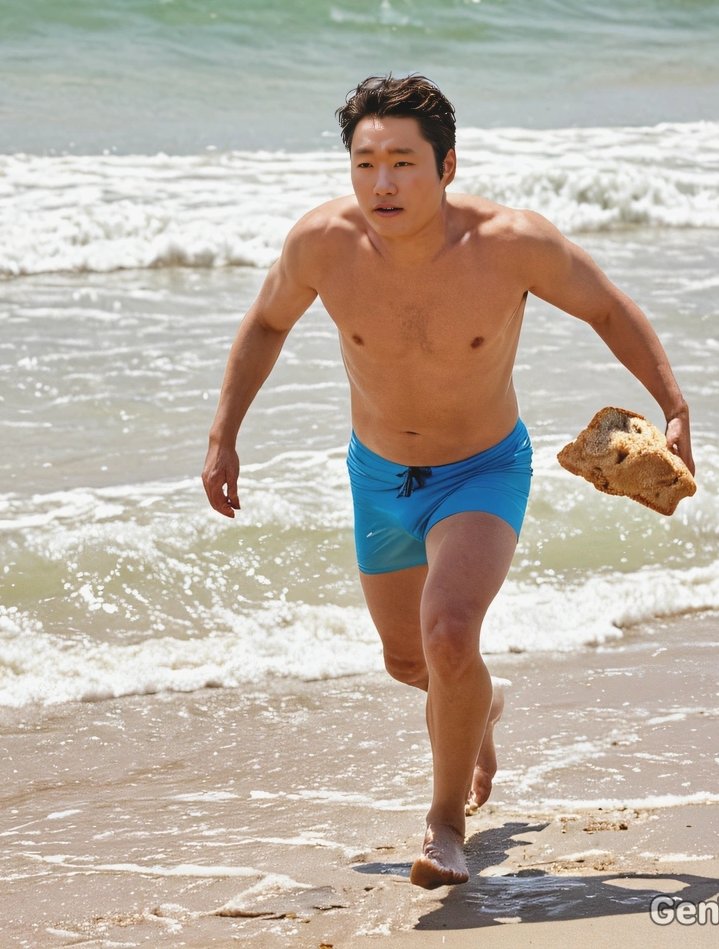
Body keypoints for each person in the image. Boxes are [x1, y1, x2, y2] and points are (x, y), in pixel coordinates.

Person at [202, 74, 694, 890]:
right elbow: (266, 322)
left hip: (483, 470)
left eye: (403, 162)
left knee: (450, 632)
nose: (382, 183)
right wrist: (224, 435)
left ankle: (444, 826)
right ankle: (482, 705)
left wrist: (674, 406)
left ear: (447, 166)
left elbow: (606, 307)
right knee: (409, 662)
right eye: (365, 163)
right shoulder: (321, 244)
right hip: (378, 477)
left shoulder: (511, 243)